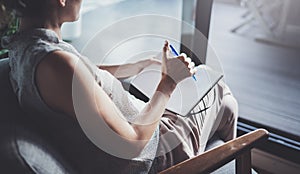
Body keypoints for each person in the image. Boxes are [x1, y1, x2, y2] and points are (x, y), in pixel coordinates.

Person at [1, 0, 238, 173]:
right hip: (153, 155)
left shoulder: (26, 48)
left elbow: (83, 76)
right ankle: (231, 160)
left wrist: (135, 66)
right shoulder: (57, 65)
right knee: (220, 92)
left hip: (139, 129)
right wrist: (168, 83)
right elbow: (132, 142)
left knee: (216, 101)